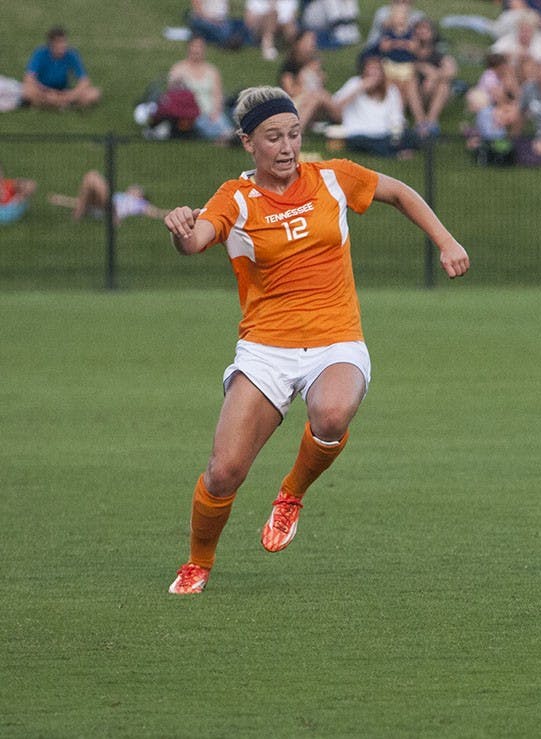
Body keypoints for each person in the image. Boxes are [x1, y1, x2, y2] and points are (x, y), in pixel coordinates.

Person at [162, 86, 469, 595]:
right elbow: (194, 242)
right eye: (273, 137)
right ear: (247, 143)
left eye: (294, 134)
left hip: (336, 338)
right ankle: (198, 561)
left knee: (331, 414)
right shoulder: (234, 198)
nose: (286, 147)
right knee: (224, 473)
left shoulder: (331, 177)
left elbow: (400, 192)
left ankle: (291, 494)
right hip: (266, 349)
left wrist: (447, 240)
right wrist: (179, 226)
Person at [331, 54, 419, 157]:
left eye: (377, 69)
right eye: (370, 69)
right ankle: (396, 153)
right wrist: (360, 88)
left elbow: (397, 116)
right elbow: (336, 105)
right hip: (360, 133)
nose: (374, 73)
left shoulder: (390, 89)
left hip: (384, 133)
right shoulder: (355, 83)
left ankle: (396, 148)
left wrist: (398, 129)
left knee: (412, 136)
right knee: (367, 143)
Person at [167, 36, 235, 142]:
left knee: (219, 121)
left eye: (200, 47)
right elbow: (172, 94)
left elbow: (218, 95)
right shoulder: (179, 69)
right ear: (189, 48)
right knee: (204, 124)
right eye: (194, 46)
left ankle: (228, 135)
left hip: (212, 111)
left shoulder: (212, 71)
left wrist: (216, 111)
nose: (197, 49)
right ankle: (226, 137)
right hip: (192, 113)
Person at [22, 26, 101, 110]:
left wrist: (71, 95)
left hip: (64, 91)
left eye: (64, 42)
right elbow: (29, 78)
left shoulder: (71, 54)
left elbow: (84, 81)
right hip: (43, 91)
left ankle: (51, 104)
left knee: (94, 93)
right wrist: (46, 92)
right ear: (51, 44)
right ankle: (62, 104)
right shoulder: (40, 53)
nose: (62, 45)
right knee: (27, 92)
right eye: (59, 43)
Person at [47, 170, 169, 224]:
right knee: (91, 180)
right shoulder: (121, 196)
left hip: (108, 207)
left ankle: (79, 215)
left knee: (92, 177)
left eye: (136, 188)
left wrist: (170, 213)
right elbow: (83, 201)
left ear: (140, 196)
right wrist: (61, 200)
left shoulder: (139, 204)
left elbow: (155, 212)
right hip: (105, 205)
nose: (133, 187)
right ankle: (80, 213)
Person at [279, 30, 340, 133]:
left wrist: (318, 74)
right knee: (317, 96)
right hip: (295, 105)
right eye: (308, 40)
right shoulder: (290, 66)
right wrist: (304, 77)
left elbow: (321, 86)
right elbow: (290, 92)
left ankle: (342, 119)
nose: (312, 43)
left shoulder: (315, 64)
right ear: (298, 43)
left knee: (320, 95)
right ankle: (296, 132)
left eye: (313, 40)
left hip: (315, 106)